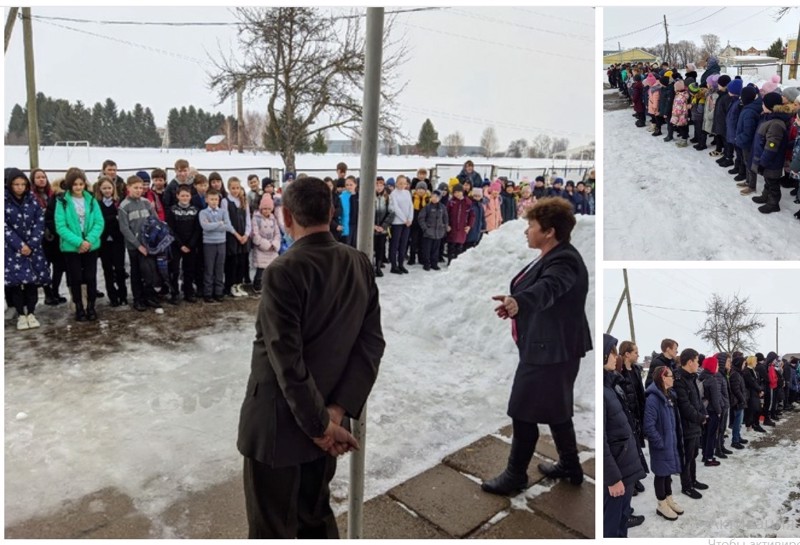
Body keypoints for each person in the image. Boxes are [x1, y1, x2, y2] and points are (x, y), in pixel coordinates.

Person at [236, 177, 385, 538]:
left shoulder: (284, 271)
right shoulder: (359, 263)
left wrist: (322, 425)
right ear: (332, 212)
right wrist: (335, 411)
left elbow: (286, 360)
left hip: (280, 426)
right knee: (313, 517)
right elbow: (371, 345)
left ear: (287, 217)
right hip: (328, 420)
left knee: (273, 528)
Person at [482, 197, 592, 496]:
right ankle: (571, 465)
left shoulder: (564, 260)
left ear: (549, 231)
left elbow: (549, 288)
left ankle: (515, 476)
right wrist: (517, 305)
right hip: (554, 347)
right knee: (557, 410)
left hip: (550, 351)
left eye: (531, 225)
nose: (526, 231)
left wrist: (522, 302)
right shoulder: (553, 255)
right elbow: (542, 292)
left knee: (523, 411)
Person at [603, 334, 647, 538]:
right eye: (612, 354)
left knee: (621, 521)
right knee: (611, 527)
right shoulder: (604, 391)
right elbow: (602, 440)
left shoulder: (612, 385)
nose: (616, 358)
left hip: (625, 466)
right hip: (617, 471)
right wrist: (612, 478)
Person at [54, 167, 104, 321]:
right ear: (69, 185)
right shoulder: (62, 202)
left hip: (91, 246)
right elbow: (61, 226)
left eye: (81, 184)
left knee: (90, 277)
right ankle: (79, 307)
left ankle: (91, 306)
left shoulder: (91, 200)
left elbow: (99, 222)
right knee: (75, 277)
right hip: (72, 247)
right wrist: (79, 242)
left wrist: (88, 240)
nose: (78, 187)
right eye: (75, 184)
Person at [5, 168, 50, 329]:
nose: (19, 188)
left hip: (33, 248)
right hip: (12, 250)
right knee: (17, 283)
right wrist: (19, 244)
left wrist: (31, 243)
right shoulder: (5, 202)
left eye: (22, 184)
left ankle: (31, 312)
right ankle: (20, 314)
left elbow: (40, 221)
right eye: (16, 184)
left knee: (32, 281)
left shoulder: (32, 200)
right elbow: (4, 227)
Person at [643, 366, 684, 521]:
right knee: (661, 475)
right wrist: (660, 442)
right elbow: (649, 426)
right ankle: (661, 504)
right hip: (661, 446)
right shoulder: (653, 399)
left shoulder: (667, 395)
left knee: (667, 474)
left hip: (669, 443)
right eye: (670, 376)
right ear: (662, 378)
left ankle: (669, 499)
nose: (673, 378)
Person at [119, 175, 160, 312]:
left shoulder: (146, 203)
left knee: (148, 271)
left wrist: (153, 239)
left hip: (148, 244)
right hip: (134, 246)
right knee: (136, 272)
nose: (138, 190)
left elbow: (155, 220)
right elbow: (124, 228)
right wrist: (138, 245)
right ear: (128, 188)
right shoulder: (124, 206)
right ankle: (138, 298)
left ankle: (149, 295)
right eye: (135, 188)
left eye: (141, 188)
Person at [672, 348, 708, 500]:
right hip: (687, 426)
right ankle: (686, 486)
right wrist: (700, 417)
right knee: (687, 457)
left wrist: (702, 413)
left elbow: (697, 400)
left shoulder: (692, 378)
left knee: (693, 454)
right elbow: (685, 406)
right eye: (697, 361)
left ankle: (693, 480)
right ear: (689, 362)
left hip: (695, 424)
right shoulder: (680, 380)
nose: (698, 364)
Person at [750, 92, 792, 214]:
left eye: (764, 103)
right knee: (768, 180)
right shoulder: (770, 117)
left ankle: (774, 203)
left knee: (773, 182)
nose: (761, 105)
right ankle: (765, 196)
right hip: (767, 159)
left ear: (769, 106)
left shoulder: (776, 124)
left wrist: (763, 163)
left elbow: (771, 147)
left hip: (771, 161)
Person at [199, 188, 242, 303]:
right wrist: (219, 223)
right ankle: (208, 293)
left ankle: (218, 292)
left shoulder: (223, 212)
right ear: (207, 200)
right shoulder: (203, 213)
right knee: (209, 268)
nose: (214, 202)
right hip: (209, 243)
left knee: (219, 267)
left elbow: (228, 226)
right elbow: (205, 227)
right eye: (212, 199)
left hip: (221, 242)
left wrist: (215, 225)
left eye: (216, 199)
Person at [94, 175, 128, 307]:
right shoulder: (96, 203)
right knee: (107, 269)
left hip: (117, 240)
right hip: (103, 241)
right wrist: (112, 218)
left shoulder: (118, 202)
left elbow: (121, 219)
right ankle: (112, 296)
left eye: (109, 188)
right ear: (100, 189)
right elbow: (99, 221)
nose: (107, 190)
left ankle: (123, 295)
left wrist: (112, 219)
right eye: (104, 188)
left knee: (120, 269)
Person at [166, 186, 201, 303]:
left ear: (190, 196)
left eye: (187, 195)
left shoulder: (196, 210)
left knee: (189, 269)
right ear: (177, 196)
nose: (185, 198)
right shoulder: (172, 210)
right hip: (176, 244)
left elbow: (197, 229)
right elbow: (170, 229)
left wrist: (190, 244)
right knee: (174, 269)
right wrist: (180, 244)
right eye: (182, 195)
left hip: (191, 244)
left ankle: (188, 292)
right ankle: (174, 293)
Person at [250, 194, 282, 294]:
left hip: (272, 248)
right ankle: (257, 286)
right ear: (261, 208)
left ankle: (270, 286)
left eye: (269, 209)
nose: (266, 211)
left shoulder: (273, 219)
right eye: (264, 209)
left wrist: (275, 243)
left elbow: (277, 233)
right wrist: (265, 244)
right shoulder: (256, 218)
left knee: (272, 269)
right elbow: (255, 234)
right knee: (261, 268)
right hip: (262, 248)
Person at [698, 355, 722, 467]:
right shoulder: (712, 380)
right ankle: (709, 457)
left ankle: (704, 454)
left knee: (705, 434)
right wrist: (719, 411)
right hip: (712, 410)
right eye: (716, 365)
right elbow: (715, 399)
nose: (718, 367)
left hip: (703, 409)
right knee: (711, 435)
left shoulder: (700, 377)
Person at [417, 189, 448, 271]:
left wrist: (444, 228)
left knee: (436, 249)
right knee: (427, 249)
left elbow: (445, 218)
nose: (434, 198)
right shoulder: (427, 207)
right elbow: (421, 218)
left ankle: (434, 263)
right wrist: (425, 228)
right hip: (428, 233)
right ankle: (426, 263)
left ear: (440, 198)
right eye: (433, 196)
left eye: (437, 197)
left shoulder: (443, 207)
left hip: (438, 233)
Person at [388, 175, 413, 274]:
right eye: (400, 183)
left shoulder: (407, 193)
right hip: (397, 222)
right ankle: (394, 265)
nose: (403, 185)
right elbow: (396, 208)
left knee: (404, 244)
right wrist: (404, 219)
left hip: (407, 223)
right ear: (396, 183)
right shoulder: (393, 194)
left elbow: (411, 206)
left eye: (404, 183)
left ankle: (401, 264)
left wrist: (410, 219)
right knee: (395, 244)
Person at [445, 183, 474, 265]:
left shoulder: (468, 202)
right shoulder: (451, 202)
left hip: (462, 228)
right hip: (452, 227)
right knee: (451, 245)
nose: (457, 194)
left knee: (459, 246)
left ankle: (457, 262)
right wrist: (447, 224)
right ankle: (450, 261)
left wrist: (469, 226)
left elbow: (472, 215)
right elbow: (446, 214)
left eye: (459, 192)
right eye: (455, 192)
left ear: (462, 192)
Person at [372, 177, 394, 277]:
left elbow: (391, 213)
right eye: (377, 185)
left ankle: (378, 266)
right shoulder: (370, 197)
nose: (379, 187)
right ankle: (371, 266)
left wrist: (383, 226)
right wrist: (373, 225)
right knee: (372, 247)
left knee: (381, 248)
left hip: (382, 228)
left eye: (381, 185)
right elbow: (366, 212)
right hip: (371, 228)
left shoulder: (387, 197)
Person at [728, 355, 748, 449]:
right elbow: (736, 389)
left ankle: (738, 437)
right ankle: (735, 440)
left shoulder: (739, 373)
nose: (745, 365)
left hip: (740, 401)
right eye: (744, 363)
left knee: (739, 422)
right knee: (737, 422)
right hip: (737, 402)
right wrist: (742, 399)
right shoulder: (735, 374)